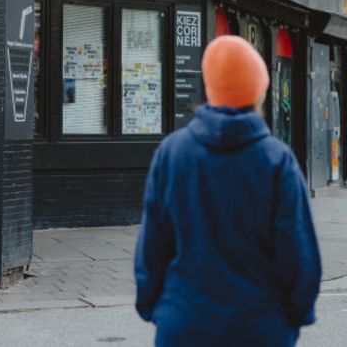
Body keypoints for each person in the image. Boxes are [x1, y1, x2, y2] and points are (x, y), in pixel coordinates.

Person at [134, 35, 321, 347]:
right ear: (259, 91)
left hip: (185, 325)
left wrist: (158, 308)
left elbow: (152, 248)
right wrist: (293, 317)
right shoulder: (276, 160)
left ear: (210, 88)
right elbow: (299, 254)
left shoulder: (172, 154)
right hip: (261, 327)